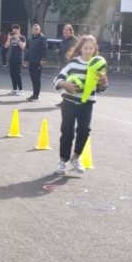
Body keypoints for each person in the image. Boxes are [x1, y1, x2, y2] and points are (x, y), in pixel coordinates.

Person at [53, 35, 108, 175]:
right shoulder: (73, 63)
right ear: (81, 49)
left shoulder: (98, 64)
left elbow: (101, 88)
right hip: (69, 103)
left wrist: (103, 81)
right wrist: (65, 84)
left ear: (94, 49)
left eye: (91, 48)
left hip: (86, 104)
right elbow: (57, 80)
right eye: (85, 48)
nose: (88, 51)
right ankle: (62, 161)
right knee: (67, 132)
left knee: (84, 131)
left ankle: (76, 158)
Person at [55, 24, 79, 106]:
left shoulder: (74, 40)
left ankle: (69, 101)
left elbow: (75, 52)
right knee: (64, 82)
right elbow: (63, 51)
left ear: (71, 31)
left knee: (70, 82)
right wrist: (59, 52)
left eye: (67, 30)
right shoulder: (63, 40)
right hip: (63, 64)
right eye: (64, 30)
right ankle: (65, 101)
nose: (65, 32)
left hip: (71, 65)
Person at [24, 24, 48, 102]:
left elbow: (45, 49)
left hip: (38, 62)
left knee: (37, 79)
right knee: (33, 79)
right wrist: (25, 59)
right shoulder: (31, 39)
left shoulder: (42, 38)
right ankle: (34, 94)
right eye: (34, 29)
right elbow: (29, 50)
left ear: (39, 30)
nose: (35, 30)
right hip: (31, 61)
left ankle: (36, 96)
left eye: (36, 29)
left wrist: (43, 59)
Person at [5, 24, 26, 96]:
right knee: (12, 73)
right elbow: (6, 46)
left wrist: (18, 39)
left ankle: (21, 89)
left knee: (17, 73)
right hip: (12, 57)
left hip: (18, 57)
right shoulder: (11, 38)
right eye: (13, 31)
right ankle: (14, 89)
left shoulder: (22, 37)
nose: (14, 32)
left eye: (16, 31)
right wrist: (9, 38)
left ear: (19, 30)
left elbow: (23, 47)